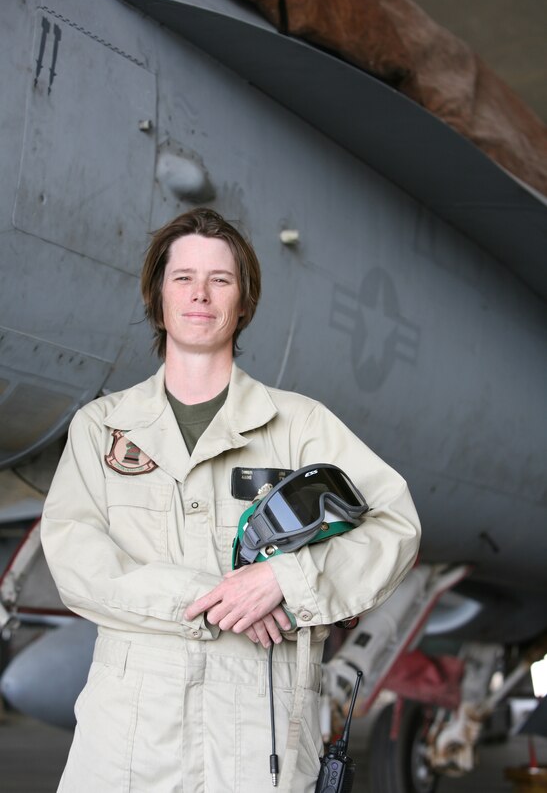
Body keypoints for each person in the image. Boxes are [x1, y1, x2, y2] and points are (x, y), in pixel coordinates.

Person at [41, 207, 421, 793]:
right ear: (157, 296)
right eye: (182, 278)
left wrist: (285, 583)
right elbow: (75, 557)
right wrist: (212, 597)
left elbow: (395, 525)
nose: (200, 294)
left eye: (220, 280)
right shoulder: (102, 428)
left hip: (261, 735)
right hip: (127, 740)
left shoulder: (299, 425)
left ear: (243, 302)